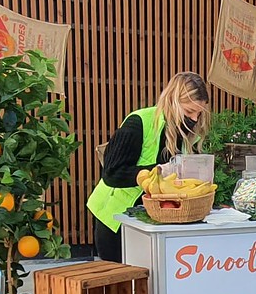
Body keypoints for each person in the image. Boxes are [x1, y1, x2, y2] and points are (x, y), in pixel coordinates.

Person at [87, 72, 213, 263]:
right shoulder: (138, 122)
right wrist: (152, 173)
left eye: (199, 113)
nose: (194, 119)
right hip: (116, 218)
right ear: (172, 101)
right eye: (188, 112)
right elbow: (112, 173)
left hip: (154, 218)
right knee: (121, 283)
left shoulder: (188, 134)